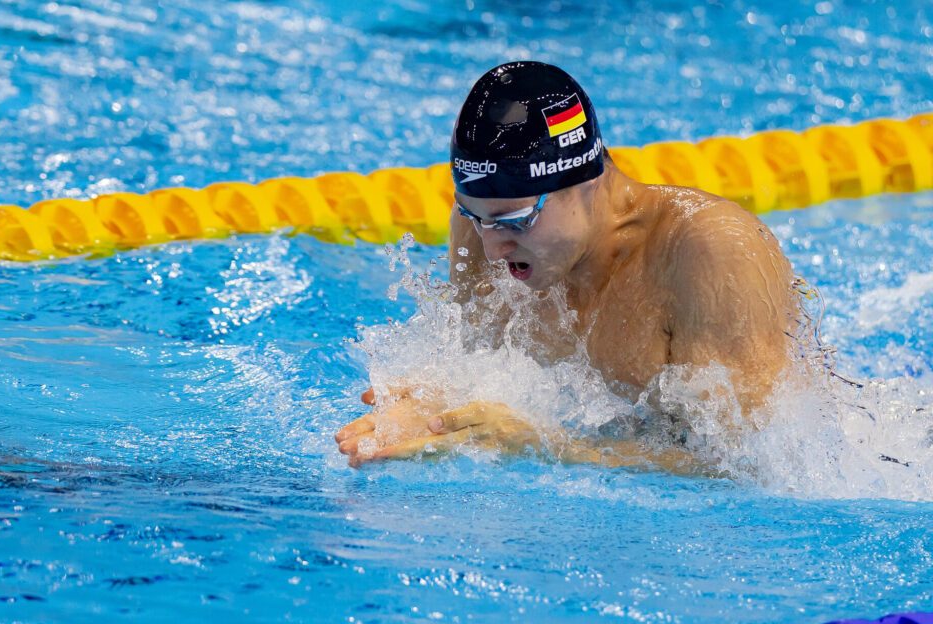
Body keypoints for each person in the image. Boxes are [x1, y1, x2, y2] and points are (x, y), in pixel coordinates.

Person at [335, 61, 798, 471]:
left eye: (516, 221)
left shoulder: (708, 251)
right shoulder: (482, 231)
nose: (494, 250)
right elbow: (481, 371)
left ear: (587, 182)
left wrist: (554, 449)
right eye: (475, 218)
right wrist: (433, 410)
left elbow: (749, 465)